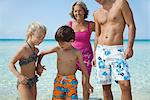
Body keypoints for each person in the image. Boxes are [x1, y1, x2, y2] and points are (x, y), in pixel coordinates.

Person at [93, 0, 136, 100]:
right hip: (100, 51)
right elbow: (97, 35)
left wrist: (130, 47)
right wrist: (95, 54)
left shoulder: (120, 3)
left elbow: (131, 25)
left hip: (117, 50)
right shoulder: (96, 13)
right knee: (105, 86)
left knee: (125, 85)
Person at [37, 25, 93, 100]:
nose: (60, 44)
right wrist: (39, 65)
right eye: (59, 42)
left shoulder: (76, 52)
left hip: (71, 81)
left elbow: (83, 67)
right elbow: (42, 53)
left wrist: (88, 82)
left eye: (63, 43)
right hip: (59, 80)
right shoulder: (58, 49)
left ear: (71, 40)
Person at [8, 22, 47, 100]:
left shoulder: (36, 50)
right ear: (30, 34)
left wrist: (38, 67)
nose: (41, 40)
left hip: (33, 81)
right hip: (23, 82)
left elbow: (32, 64)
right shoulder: (23, 49)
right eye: (39, 37)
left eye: (43, 38)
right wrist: (19, 76)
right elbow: (10, 64)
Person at [68, 1, 95, 99]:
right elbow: (65, 40)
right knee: (70, 80)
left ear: (84, 11)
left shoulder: (91, 25)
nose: (77, 13)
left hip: (87, 56)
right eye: (75, 11)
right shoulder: (70, 24)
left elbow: (103, 30)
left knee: (85, 82)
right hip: (73, 56)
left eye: (79, 10)